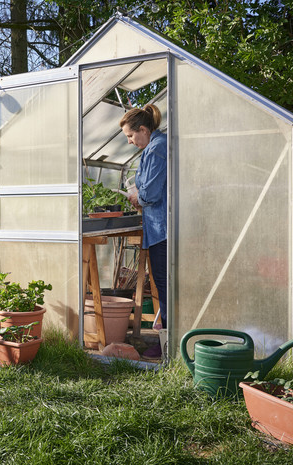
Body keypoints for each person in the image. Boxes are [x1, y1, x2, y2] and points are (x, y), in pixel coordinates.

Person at [119, 103, 167, 357]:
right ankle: (167, 339)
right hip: (159, 228)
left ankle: (167, 345)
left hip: (164, 230)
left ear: (143, 130)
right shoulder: (153, 147)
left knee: (165, 284)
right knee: (163, 283)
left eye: (130, 135)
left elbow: (151, 191)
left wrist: (138, 196)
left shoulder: (157, 148)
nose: (129, 142)